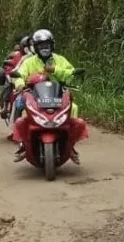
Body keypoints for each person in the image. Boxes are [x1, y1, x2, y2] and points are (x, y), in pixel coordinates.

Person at [11, 29, 78, 161]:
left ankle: (71, 144)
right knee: (20, 106)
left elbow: (71, 74)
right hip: (34, 96)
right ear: (35, 47)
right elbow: (20, 74)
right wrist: (19, 84)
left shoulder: (60, 60)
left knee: (74, 108)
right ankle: (22, 143)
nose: (45, 48)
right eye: (41, 46)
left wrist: (55, 70)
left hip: (58, 95)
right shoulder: (29, 62)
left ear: (52, 45)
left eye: (47, 45)